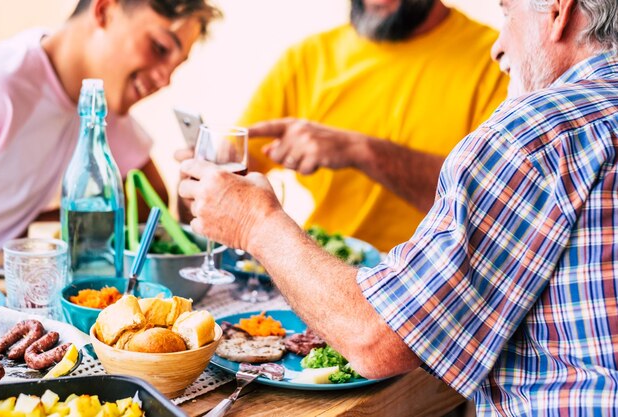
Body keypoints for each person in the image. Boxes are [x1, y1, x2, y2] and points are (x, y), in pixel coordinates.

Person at [179, 0, 618, 414]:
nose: (499, 45)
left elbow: (378, 340)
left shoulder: (529, 132)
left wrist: (256, 223)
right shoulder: (305, 57)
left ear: (559, 11)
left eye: (507, 11)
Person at [238, 0, 508, 252]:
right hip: (323, 268)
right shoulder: (307, 58)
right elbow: (237, 163)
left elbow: (493, 204)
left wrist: (361, 151)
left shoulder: (499, 62)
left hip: (434, 278)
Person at [0, 0, 221, 250]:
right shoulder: (2, 86)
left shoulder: (99, 107)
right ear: (104, 10)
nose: (165, 79)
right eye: (160, 48)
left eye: (176, 65)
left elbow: (151, 203)